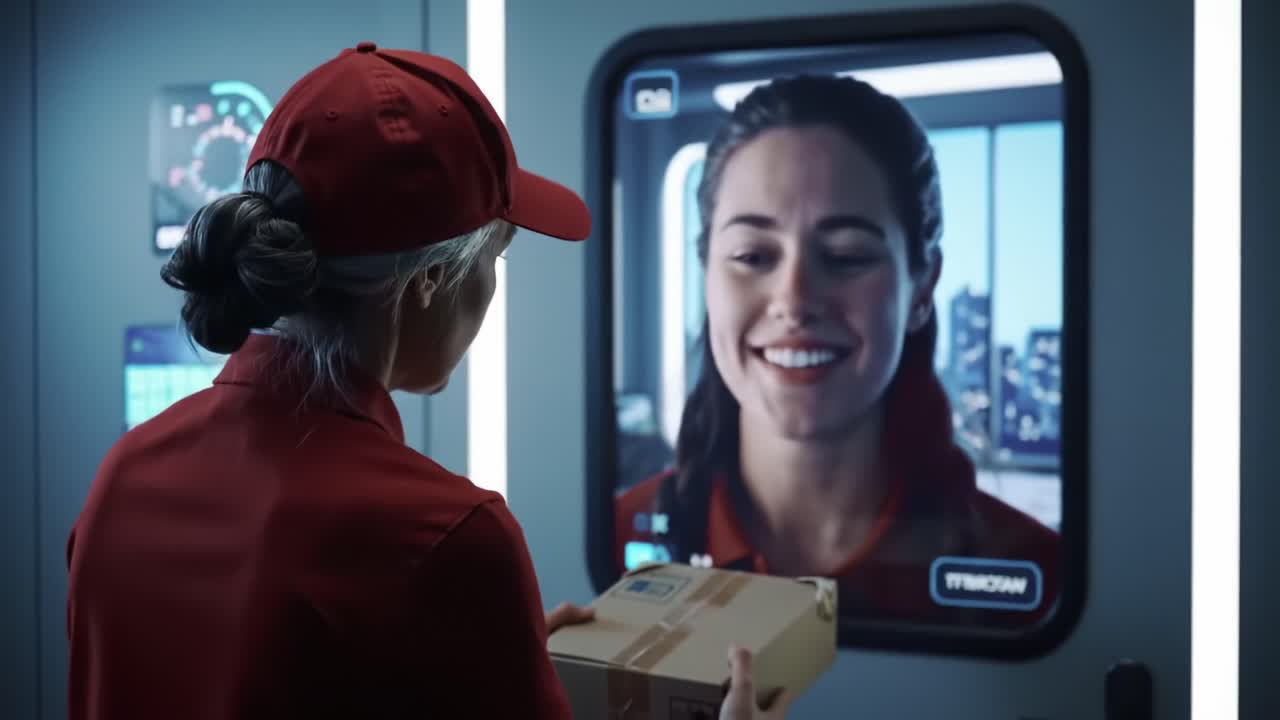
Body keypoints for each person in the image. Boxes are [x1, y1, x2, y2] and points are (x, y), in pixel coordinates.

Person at [66, 43, 789, 719]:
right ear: (430, 283)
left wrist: (489, 655)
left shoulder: (124, 477)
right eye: (495, 261)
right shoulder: (446, 540)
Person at [615, 74, 1060, 630]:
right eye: (753, 255)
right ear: (706, 276)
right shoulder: (609, 545)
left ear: (922, 289)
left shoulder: (1038, 576)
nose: (795, 300)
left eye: (847, 256)